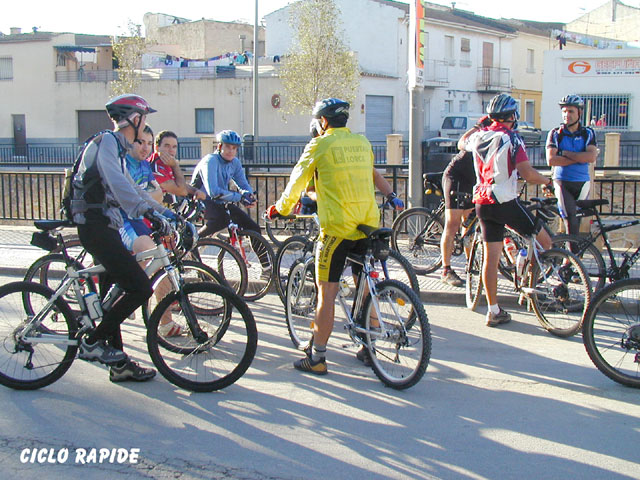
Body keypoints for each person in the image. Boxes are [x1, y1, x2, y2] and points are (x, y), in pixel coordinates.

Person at [265, 98, 402, 375]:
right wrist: (390, 194)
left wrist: (278, 209)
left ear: (322, 122)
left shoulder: (319, 144)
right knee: (365, 283)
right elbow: (369, 175)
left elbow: (296, 183)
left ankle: (317, 358)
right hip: (368, 223)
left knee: (326, 295)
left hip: (338, 229)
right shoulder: (362, 143)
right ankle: (369, 346)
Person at [72, 93, 175, 382]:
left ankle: (119, 365)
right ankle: (92, 342)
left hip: (105, 226)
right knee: (140, 288)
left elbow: (136, 190)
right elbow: (121, 187)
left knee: (111, 299)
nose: (146, 126)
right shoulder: (107, 141)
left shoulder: (117, 147)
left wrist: (167, 215)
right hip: (95, 227)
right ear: (135, 118)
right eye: (145, 119)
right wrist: (149, 211)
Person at [460, 93, 553, 327]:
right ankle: (525, 279)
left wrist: (479, 125)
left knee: (490, 260)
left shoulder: (479, 136)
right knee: (545, 241)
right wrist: (548, 182)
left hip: (482, 202)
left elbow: (462, 142)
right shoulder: (512, 138)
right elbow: (528, 174)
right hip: (505, 201)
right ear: (512, 116)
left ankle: (493, 310)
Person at [118, 124, 184, 338]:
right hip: (121, 220)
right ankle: (133, 301)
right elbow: (147, 195)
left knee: (161, 260)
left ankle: (161, 318)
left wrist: (168, 215)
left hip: (139, 218)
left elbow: (154, 195)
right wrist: (153, 195)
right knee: (153, 256)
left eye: (148, 143)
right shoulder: (122, 163)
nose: (145, 147)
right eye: (140, 142)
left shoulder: (144, 166)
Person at [191, 130, 270, 272]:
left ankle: (267, 270)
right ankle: (192, 241)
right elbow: (213, 192)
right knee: (221, 219)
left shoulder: (235, 163)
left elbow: (243, 185)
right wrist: (240, 197)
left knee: (254, 228)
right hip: (200, 199)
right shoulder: (211, 161)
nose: (231, 151)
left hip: (220, 200)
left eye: (234, 148)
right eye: (227, 147)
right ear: (220, 146)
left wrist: (248, 195)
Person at [546, 95, 597, 236]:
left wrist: (565, 153)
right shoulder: (556, 133)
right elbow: (551, 160)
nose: (566, 115)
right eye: (564, 111)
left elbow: (591, 157)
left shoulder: (588, 133)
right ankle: (570, 257)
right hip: (563, 181)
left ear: (579, 112)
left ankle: (573, 256)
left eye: (571, 111)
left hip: (582, 182)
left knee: (578, 220)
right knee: (570, 219)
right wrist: (580, 157)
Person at [149, 130, 206, 204]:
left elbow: (179, 183)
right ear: (156, 148)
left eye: (174, 147)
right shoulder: (154, 167)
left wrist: (195, 191)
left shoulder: (167, 162)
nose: (171, 150)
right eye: (167, 146)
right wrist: (175, 165)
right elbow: (181, 190)